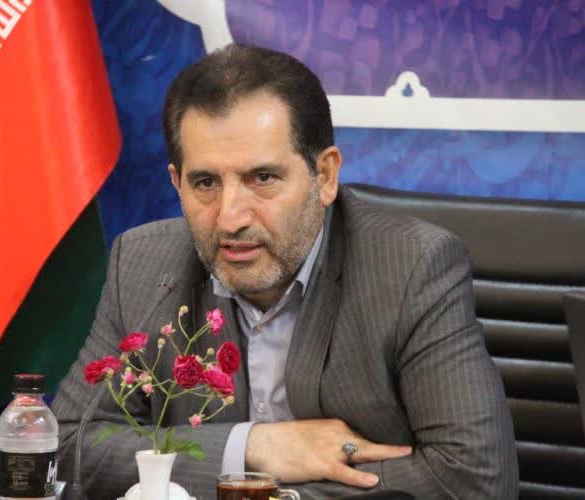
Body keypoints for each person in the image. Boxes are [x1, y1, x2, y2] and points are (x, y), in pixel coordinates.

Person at [52, 44, 518, 499]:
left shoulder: (412, 265)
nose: (230, 217)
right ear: (177, 183)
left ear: (325, 176)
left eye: (263, 178)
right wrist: (250, 448)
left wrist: (271, 494)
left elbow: (476, 478)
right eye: (205, 183)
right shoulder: (143, 264)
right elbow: (67, 448)